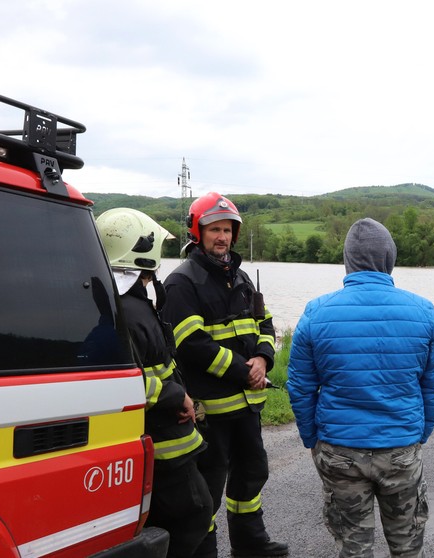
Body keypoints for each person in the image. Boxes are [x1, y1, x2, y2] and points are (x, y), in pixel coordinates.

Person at [286, 217, 434, 558]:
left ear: (347, 261)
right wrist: (420, 432)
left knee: (353, 548)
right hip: (401, 448)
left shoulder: (316, 313)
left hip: (340, 450)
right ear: (390, 259)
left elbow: (300, 387)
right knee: (407, 547)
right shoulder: (423, 311)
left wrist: (312, 439)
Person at [162, 192, 288, 558]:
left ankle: (250, 543)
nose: (222, 237)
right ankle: (206, 552)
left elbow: (265, 325)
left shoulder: (242, 277)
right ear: (196, 233)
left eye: (228, 230)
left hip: (247, 406)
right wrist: (242, 371)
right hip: (211, 412)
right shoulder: (182, 282)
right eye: (214, 229)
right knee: (209, 488)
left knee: (252, 476)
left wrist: (264, 359)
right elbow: (190, 344)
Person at [95, 208, 213, 558]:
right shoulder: (131, 313)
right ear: (143, 253)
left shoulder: (115, 303)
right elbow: (131, 381)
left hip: (156, 439)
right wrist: (178, 395)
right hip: (163, 442)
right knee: (194, 513)